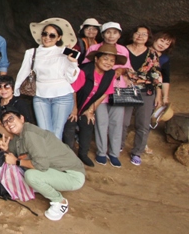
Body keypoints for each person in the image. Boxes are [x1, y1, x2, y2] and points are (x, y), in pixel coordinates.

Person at [0, 108, 86, 221]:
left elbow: (41, 165)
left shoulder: (30, 133)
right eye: (5, 122)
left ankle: (60, 202)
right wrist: (6, 149)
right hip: (57, 170)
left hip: (72, 176)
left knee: (30, 176)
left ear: (22, 118)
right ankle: (43, 185)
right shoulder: (20, 136)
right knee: (25, 169)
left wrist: (16, 161)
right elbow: (15, 152)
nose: (9, 123)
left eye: (11, 118)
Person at [15, 18, 79, 140]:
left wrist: (73, 62)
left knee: (56, 133)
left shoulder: (63, 52)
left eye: (52, 35)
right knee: (44, 133)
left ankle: (56, 153)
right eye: (45, 34)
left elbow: (71, 78)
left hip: (62, 95)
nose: (47, 37)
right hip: (40, 95)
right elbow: (23, 72)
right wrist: (16, 91)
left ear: (59, 38)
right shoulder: (32, 52)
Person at [82, 22, 132, 167]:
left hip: (117, 89)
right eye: (108, 32)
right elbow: (86, 66)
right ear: (102, 34)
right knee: (101, 122)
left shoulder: (122, 49)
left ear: (119, 35)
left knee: (117, 122)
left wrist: (119, 71)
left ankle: (114, 153)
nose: (111, 36)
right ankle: (101, 152)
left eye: (115, 32)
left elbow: (127, 67)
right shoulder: (94, 48)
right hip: (98, 90)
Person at [64, 44, 122, 167]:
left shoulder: (110, 74)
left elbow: (105, 93)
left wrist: (91, 110)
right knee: (70, 125)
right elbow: (73, 90)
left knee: (88, 124)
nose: (108, 63)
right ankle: (68, 156)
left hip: (86, 106)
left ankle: (83, 154)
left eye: (112, 60)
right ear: (96, 59)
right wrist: (74, 109)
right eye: (105, 59)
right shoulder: (84, 70)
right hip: (71, 104)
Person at [122, 26, 163, 166]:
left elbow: (156, 74)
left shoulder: (152, 53)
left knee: (143, 123)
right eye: (137, 33)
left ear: (148, 37)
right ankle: (118, 146)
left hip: (146, 91)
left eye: (144, 34)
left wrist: (158, 95)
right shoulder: (122, 50)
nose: (140, 36)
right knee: (123, 122)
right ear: (132, 35)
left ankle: (137, 152)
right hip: (125, 89)